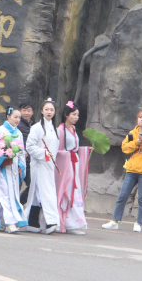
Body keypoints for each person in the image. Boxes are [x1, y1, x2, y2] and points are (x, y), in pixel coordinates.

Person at [102, 109, 142, 233]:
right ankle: (115, 221)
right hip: (132, 170)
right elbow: (125, 148)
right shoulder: (132, 133)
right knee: (123, 195)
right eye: (140, 117)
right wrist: (136, 142)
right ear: (137, 119)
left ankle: (139, 222)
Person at [0, 107, 27, 233]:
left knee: (9, 195)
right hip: (1, 169)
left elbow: (22, 151)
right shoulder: (0, 130)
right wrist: (2, 156)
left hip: (13, 170)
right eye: (15, 117)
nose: (17, 119)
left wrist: (21, 164)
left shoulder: (19, 133)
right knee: (5, 194)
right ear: (8, 116)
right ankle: (10, 223)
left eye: (19, 117)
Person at [23, 98, 59, 234]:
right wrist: (44, 153)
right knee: (45, 193)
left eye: (52, 110)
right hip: (39, 165)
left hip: (49, 166)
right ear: (42, 111)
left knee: (37, 193)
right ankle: (51, 221)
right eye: (46, 109)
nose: (49, 112)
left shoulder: (55, 129)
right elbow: (29, 146)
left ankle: (33, 221)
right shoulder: (36, 127)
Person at [55, 101, 90, 234]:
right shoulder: (60, 130)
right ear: (66, 115)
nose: (76, 117)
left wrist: (85, 150)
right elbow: (58, 150)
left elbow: (74, 148)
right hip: (66, 165)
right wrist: (67, 156)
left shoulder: (74, 129)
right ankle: (67, 223)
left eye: (77, 115)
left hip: (74, 163)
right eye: (73, 114)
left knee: (75, 192)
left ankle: (75, 223)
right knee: (67, 192)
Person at [17, 101, 34, 205]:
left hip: (30, 162)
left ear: (32, 112)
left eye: (29, 110)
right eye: (24, 110)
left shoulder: (35, 125)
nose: (26, 113)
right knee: (16, 187)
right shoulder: (17, 124)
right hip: (18, 162)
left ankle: (19, 203)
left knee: (33, 185)